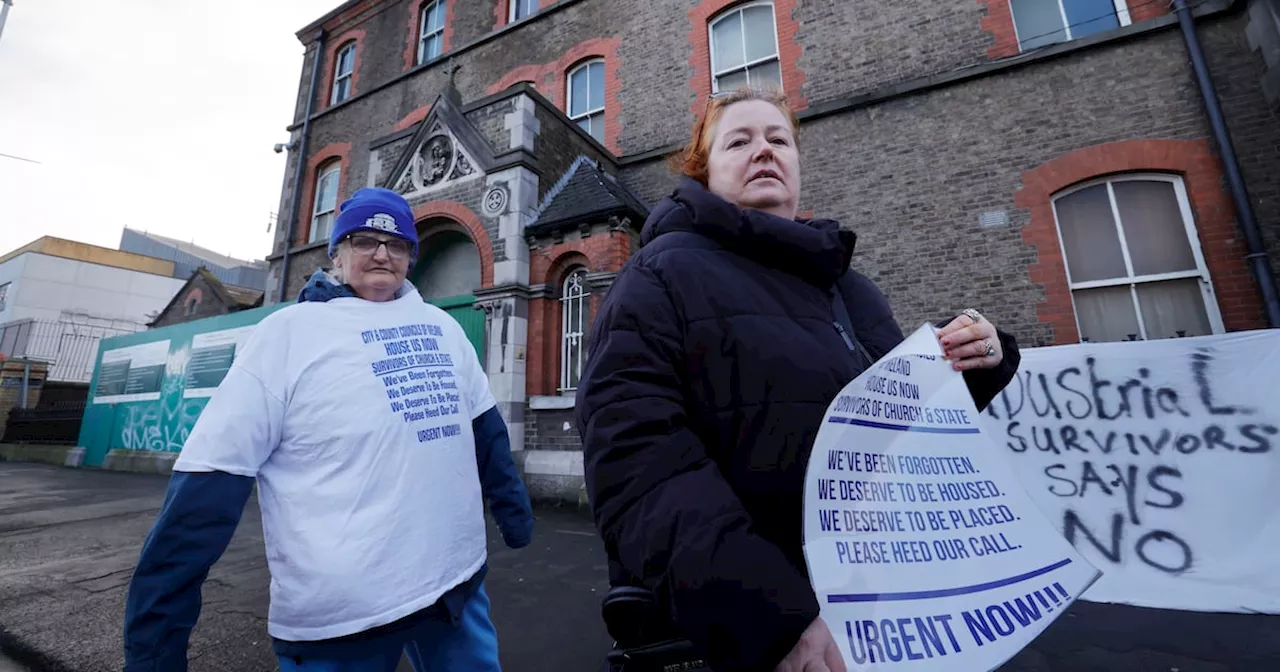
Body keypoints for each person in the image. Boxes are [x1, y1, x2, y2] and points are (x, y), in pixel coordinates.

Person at [574, 88, 1021, 672]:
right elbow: (637, 459)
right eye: (739, 140)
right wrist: (770, 617)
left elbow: (901, 426)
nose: (764, 150)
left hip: (874, 611)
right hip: (755, 640)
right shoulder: (658, 275)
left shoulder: (850, 289)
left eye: (778, 139)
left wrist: (978, 365)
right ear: (704, 170)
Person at [123, 187, 534, 672]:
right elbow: (207, 488)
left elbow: (484, 433)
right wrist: (156, 646)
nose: (383, 253)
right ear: (336, 254)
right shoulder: (287, 335)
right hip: (343, 619)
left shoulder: (443, 329)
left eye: (397, 243)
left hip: (455, 585)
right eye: (365, 240)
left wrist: (515, 515)